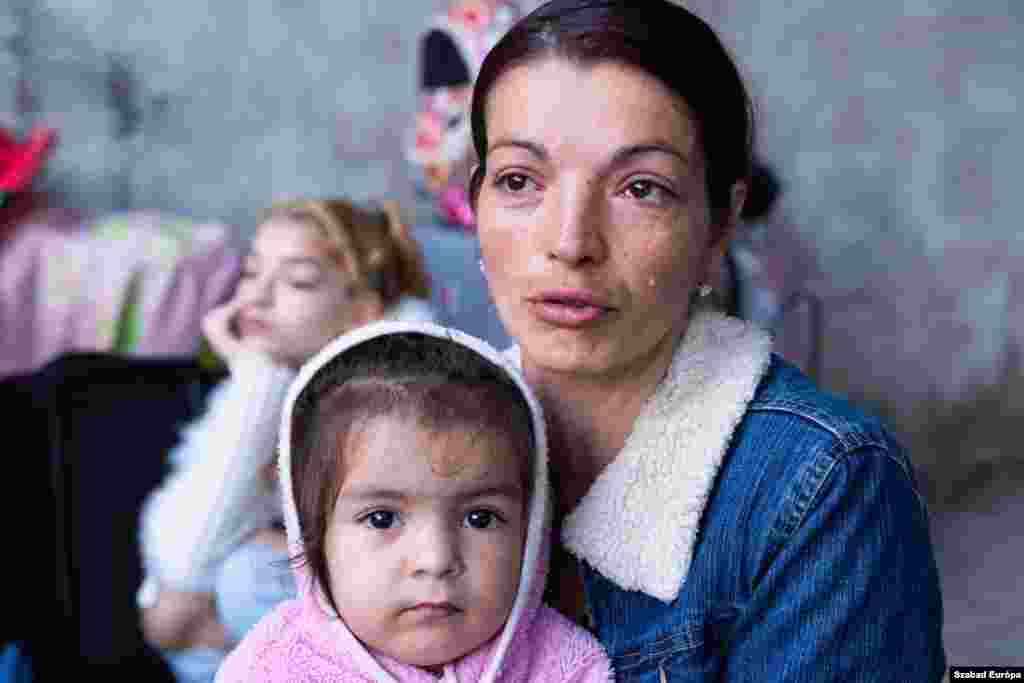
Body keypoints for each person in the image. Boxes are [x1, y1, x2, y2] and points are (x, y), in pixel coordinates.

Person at [468, 0, 947, 679]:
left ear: (719, 228)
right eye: (519, 180)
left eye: (641, 188)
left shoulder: (821, 487)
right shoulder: (405, 437)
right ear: (476, 203)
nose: (570, 242)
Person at [137, 198, 438, 682]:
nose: (256, 298)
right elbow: (182, 559)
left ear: (361, 311)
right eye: (252, 273)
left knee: (243, 577)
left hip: (409, 621)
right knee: (184, 605)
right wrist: (255, 381)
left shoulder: (403, 394)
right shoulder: (285, 384)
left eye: (297, 281)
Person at [215, 322, 613, 682]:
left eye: (480, 518)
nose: (436, 560)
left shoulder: (567, 668)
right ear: (312, 533)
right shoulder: (270, 668)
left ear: (530, 531)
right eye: (383, 518)